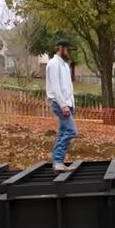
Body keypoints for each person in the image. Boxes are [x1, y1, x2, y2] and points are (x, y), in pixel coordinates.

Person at [45, 39, 78, 171]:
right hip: (59, 103)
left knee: (63, 132)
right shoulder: (53, 64)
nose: (69, 52)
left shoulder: (64, 65)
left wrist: (71, 105)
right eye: (68, 49)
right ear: (60, 48)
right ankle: (58, 160)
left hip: (67, 104)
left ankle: (58, 162)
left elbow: (68, 87)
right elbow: (55, 86)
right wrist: (63, 105)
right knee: (71, 131)